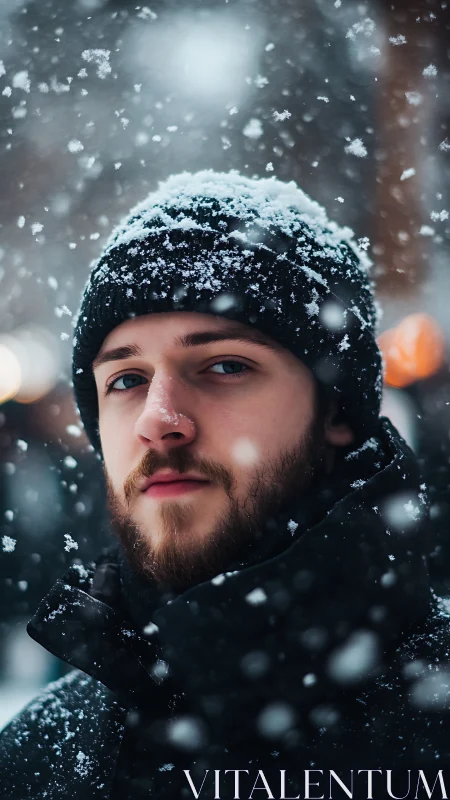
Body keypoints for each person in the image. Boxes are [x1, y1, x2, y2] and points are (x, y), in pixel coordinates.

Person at [1, 171, 448, 800]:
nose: (159, 419)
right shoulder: (37, 759)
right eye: (126, 379)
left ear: (338, 412)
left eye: (225, 365)